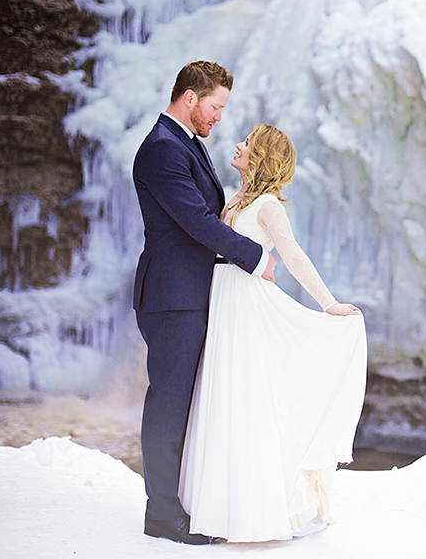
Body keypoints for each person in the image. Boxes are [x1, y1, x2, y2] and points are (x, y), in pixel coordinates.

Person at [179, 124, 368, 543]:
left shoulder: (267, 206)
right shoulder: (236, 198)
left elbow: (293, 256)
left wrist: (328, 303)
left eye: (247, 142)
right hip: (225, 302)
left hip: (247, 307)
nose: (238, 145)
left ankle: (253, 511)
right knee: (225, 396)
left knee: (247, 399)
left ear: (261, 155)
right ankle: (220, 508)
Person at [132, 61, 277, 545]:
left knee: (186, 405)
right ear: (190, 98)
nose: (219, 117)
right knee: (168, 406)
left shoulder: (186, 144)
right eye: (215, 106)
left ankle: (180, 505)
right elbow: (196, 220)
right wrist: (254, 256)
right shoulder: (161, 149)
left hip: (191, 293)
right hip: (172, 297)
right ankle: (162, 515)